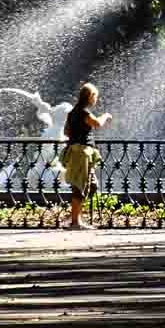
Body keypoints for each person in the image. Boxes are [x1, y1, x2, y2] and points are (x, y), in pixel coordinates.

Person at [60, 83, 111, 230]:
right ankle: (75, 222)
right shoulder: (83, 112)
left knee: (91, 186)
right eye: (95, 96)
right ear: (90, 97)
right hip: (81, 153)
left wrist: (77, 133)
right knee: (79, 187)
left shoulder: (72, 113)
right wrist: (106, 115)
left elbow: (66, 132)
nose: (96, 100)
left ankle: (75, 217)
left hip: (78, 151)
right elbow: (97, 124)